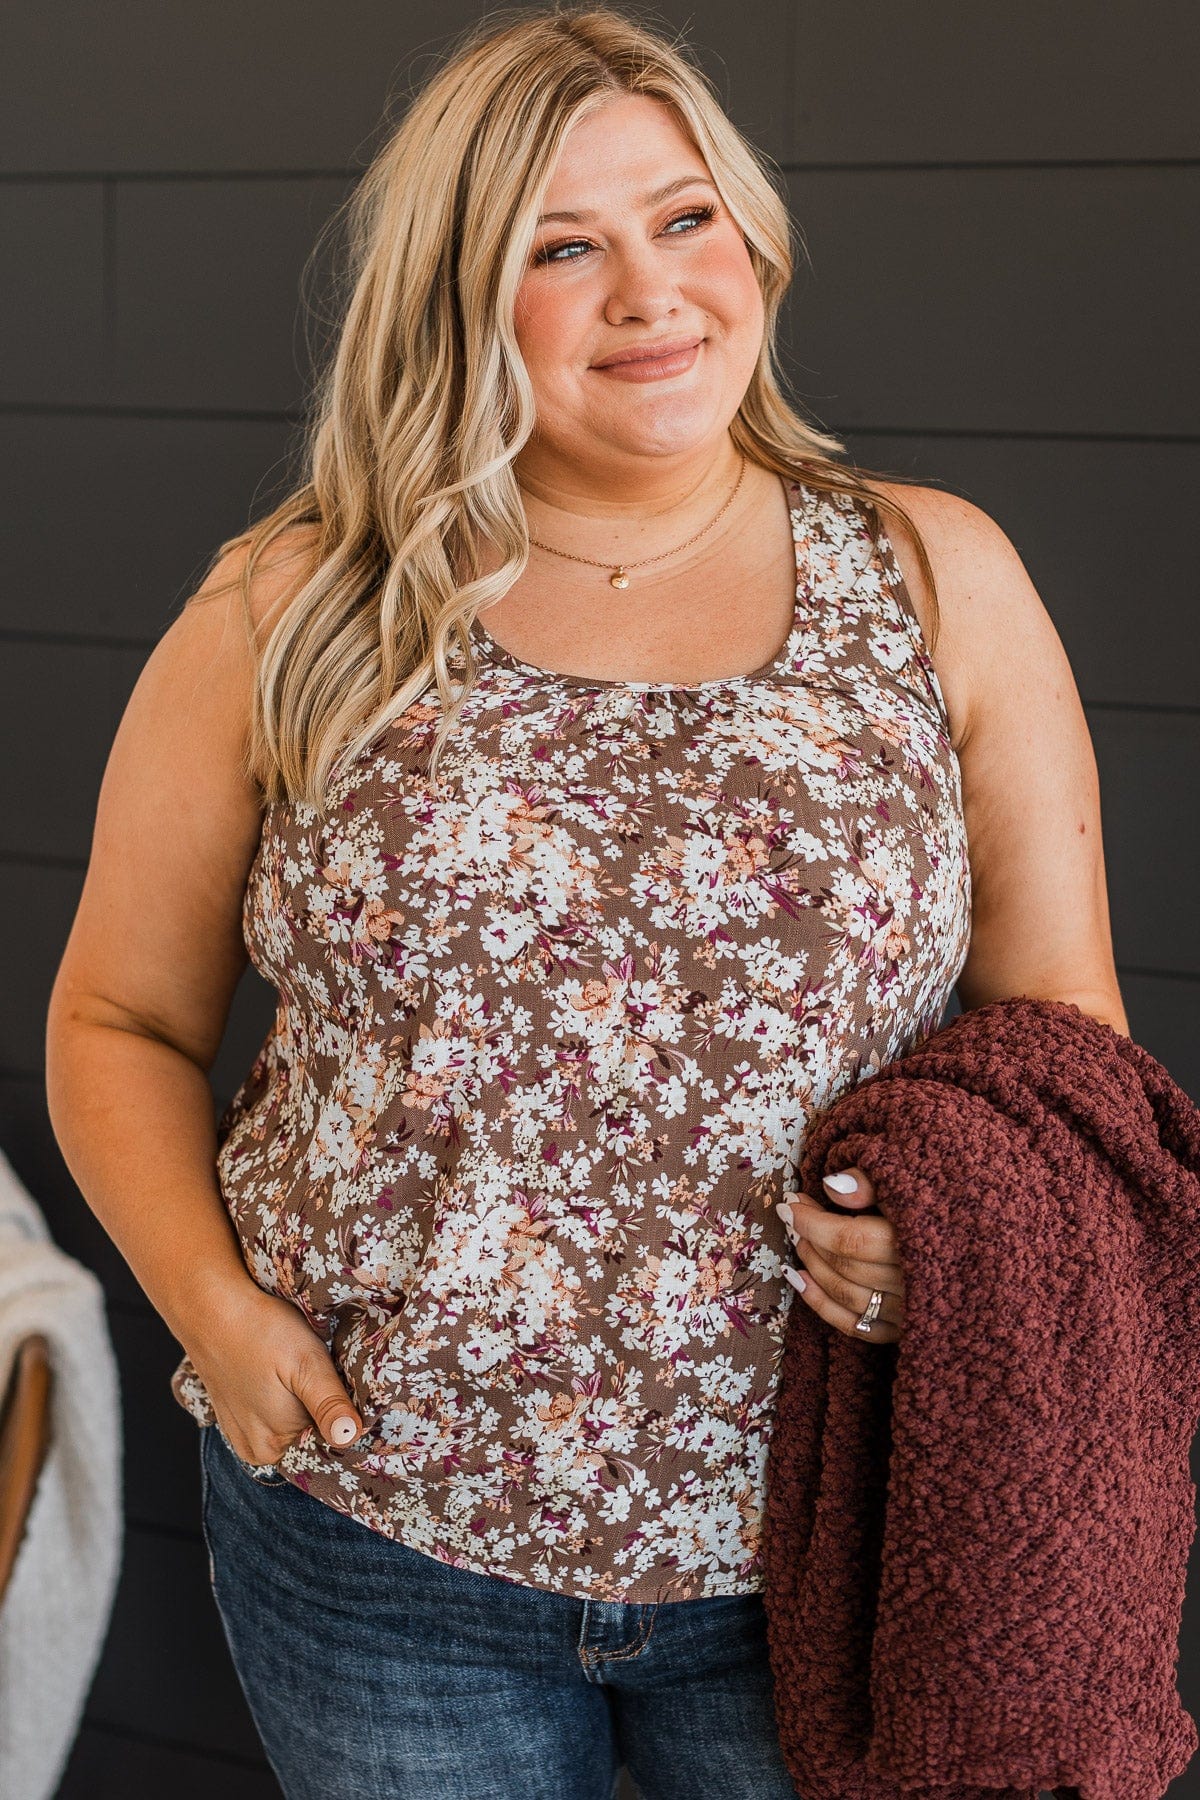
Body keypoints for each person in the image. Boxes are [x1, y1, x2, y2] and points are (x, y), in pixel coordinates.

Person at [43, 6, 1129, 1798]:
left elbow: (1064, 1039)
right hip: (382, 1531)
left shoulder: (935, 575)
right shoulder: (300, 606)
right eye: (565, 247)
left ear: (757, 236)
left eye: (685, 218)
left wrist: (968, 1234)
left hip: (824, 1530)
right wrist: (218, 1322)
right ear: (462, 298)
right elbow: (119, 1020)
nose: (654, 293)